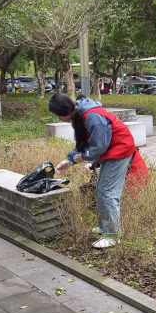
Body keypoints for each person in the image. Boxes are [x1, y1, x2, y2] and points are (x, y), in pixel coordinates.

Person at [49, 93, 139, 249]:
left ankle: (112, 235)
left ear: (66, 111)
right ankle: (104, 226)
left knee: (107, 192)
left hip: (120, 149)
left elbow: (98, 146)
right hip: (110, 150)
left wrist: (82, 157)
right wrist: (69, 160)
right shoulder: (77, 115)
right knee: (101, 189)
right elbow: (83, 142)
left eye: (59, 115)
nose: (59, 118)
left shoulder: (92, 117)